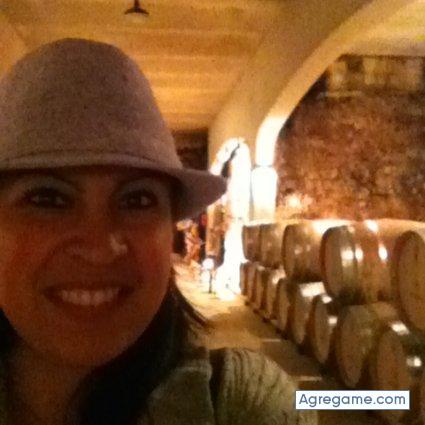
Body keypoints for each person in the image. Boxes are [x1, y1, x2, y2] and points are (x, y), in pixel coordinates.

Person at [0, 38, 317, 425]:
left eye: (136, 200)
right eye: (48, 199)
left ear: (170, 229)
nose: (99, 247)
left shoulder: (239, 404)